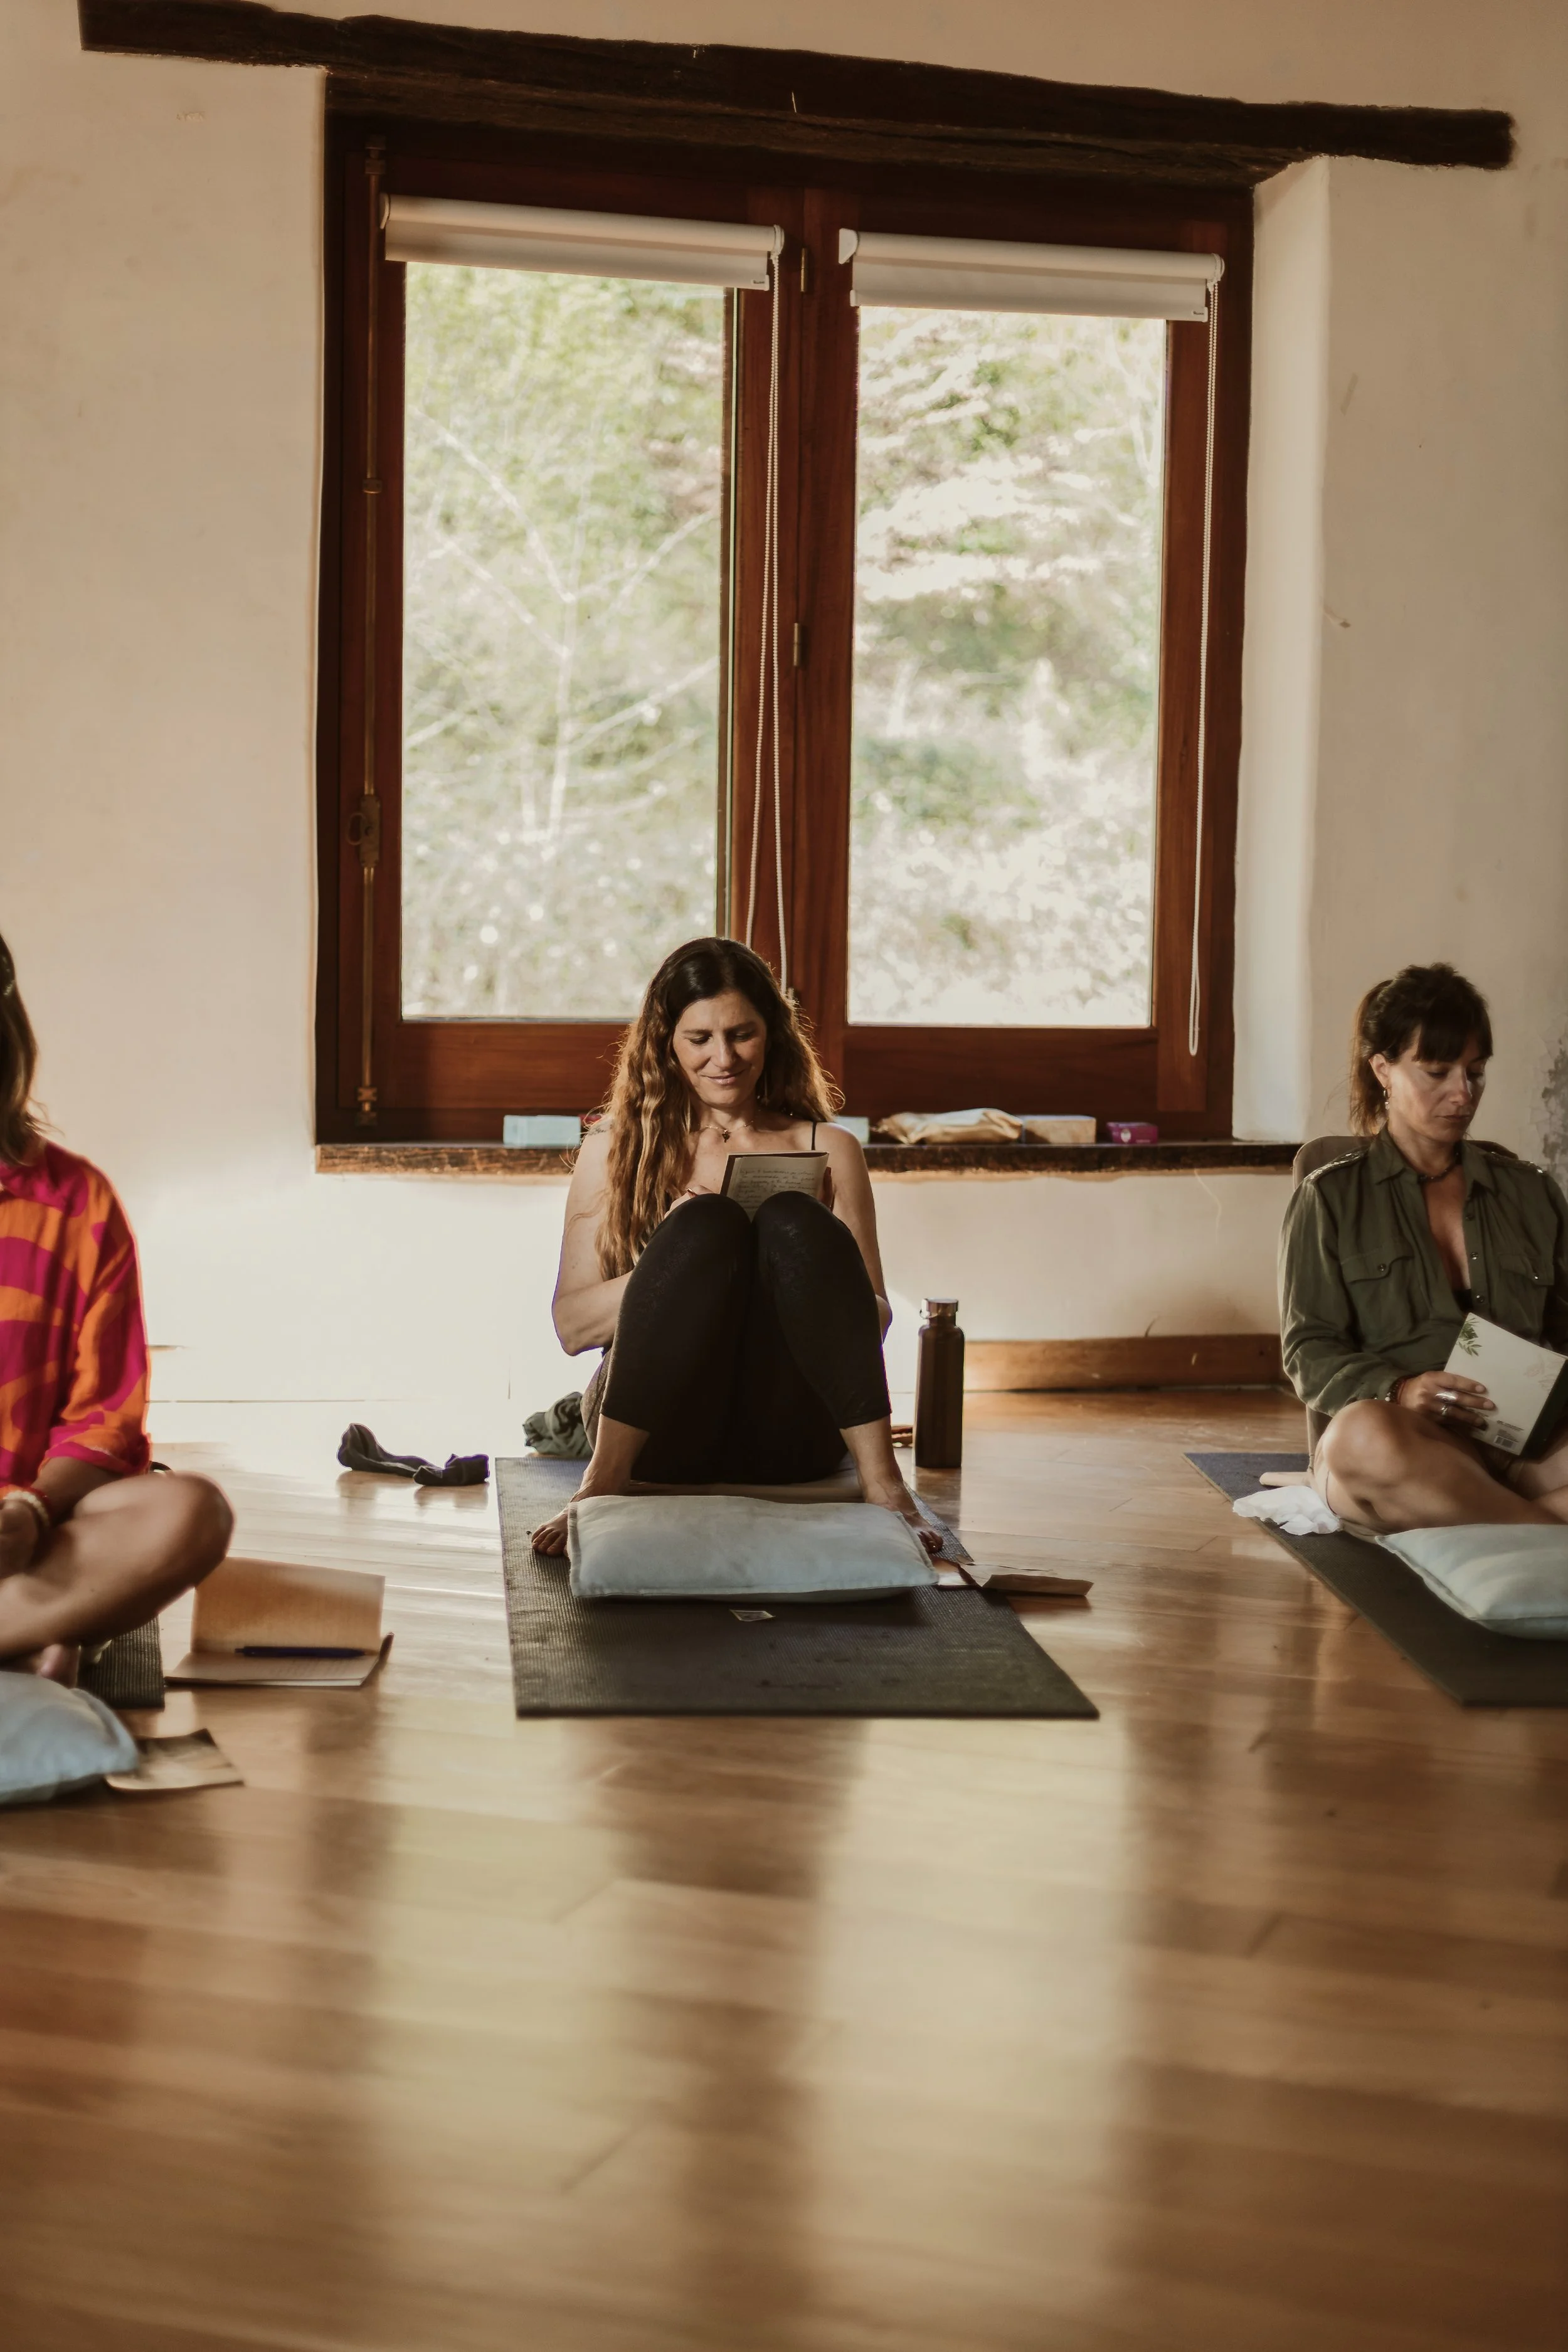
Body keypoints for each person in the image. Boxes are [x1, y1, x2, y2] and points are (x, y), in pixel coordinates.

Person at [531, 936, 938, 1557]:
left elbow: (876, 1316)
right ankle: (599, 1484)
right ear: (666, 1042)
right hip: (657, 1437)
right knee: (706, 1225)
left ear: (771, 1035)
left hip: (789, 1434)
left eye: (741, 1035)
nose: (723, 1058)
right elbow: (572, 1328)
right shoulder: (610, 1149)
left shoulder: (829, 1148)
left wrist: (801, 1269)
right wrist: (675, 1261)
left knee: (790, 1218)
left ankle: (885, 1488)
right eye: (700, 1039)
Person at [0, 932, 232, 1679]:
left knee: (188, 1514)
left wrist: (30, 1513)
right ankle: (38, 1630)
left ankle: (32, 1619)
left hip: (31, 1524)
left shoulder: (76, 1202)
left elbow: (104, 1424)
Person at [1280, 961, 1568, 1534]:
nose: (1463, 1094)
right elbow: (1309, 1350)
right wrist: (1401, 1390)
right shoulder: (1330, 1195)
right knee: (1361, 1438)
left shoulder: (1532, 1190)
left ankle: (1499, 1523)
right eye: (1437, 1072)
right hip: (1406, 1442)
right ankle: (1541, 1527)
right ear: (1383, 1070)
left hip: (1524, 1440)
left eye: (1476, 1072)